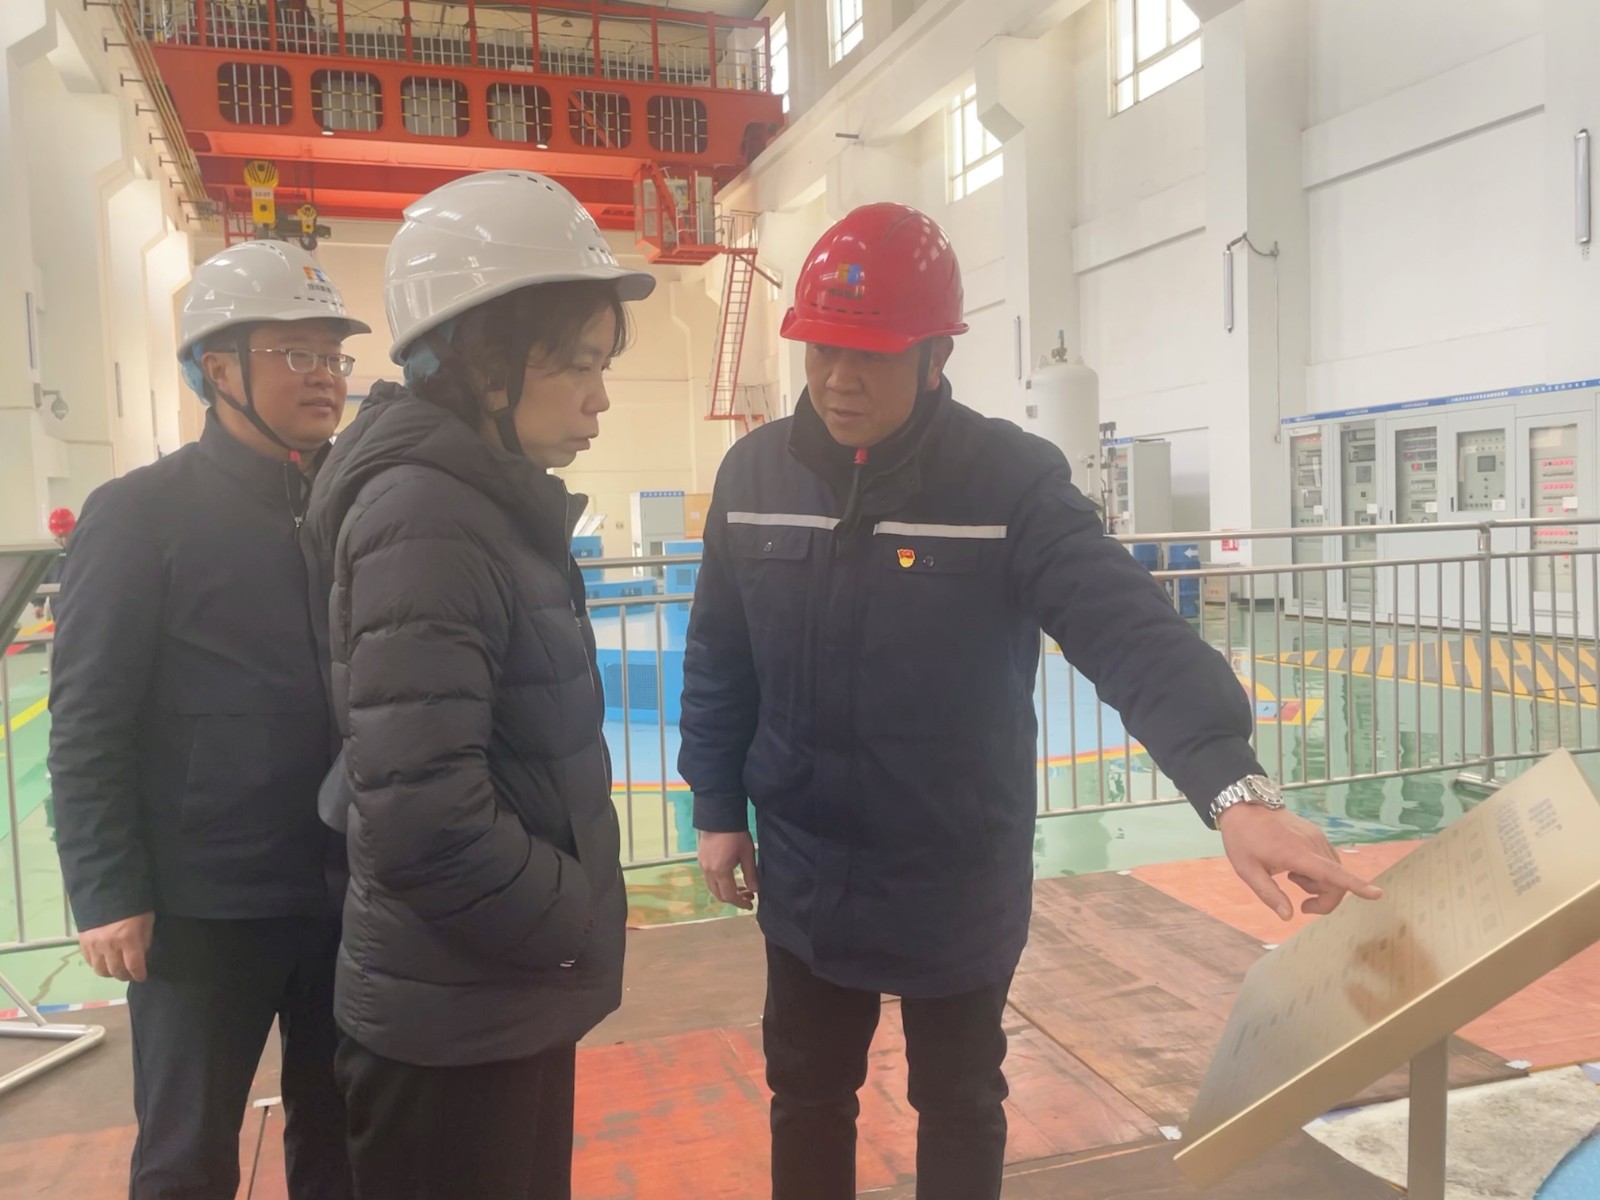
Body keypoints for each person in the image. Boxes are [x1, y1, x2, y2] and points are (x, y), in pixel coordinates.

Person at [677, 203, 1383, 1200]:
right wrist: (717, 808)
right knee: (806, 1090)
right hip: (807, 866)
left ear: (934, 356)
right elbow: (719, 656)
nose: (838, 379)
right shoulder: (753, 478)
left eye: (872, 355)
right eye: (823, 348)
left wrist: (1234, 789)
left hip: (953, 868)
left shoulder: (1005, 483)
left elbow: (1124, 627)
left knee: (960, 1100)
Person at [303, 169, 653, 1199]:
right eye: (577, 364)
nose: (598, 397)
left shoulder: (481, 504)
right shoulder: (427, 518)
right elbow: (423, 819)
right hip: (454, 1022)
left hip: (490, 996)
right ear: (485, 361)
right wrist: (575, 913)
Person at [49, 239, 369, 1200]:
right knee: (185, 1155)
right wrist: (106, 888)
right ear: (216, 368)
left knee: (346, 1143)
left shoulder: (347, 507)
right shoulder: (138, 514)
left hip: (341, 891)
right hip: (201, 909)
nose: (324, 376)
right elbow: (89, 714)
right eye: (296, 353)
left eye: (334, 355)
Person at [31, 507, 74, 621]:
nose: (64, 540)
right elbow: (41, 578)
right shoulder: (50, 555)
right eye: (60, 536)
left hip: (80, 606)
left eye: (67, 535)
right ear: (53, 533)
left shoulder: (83, 550)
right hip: (59, 609)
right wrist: (38, 604)